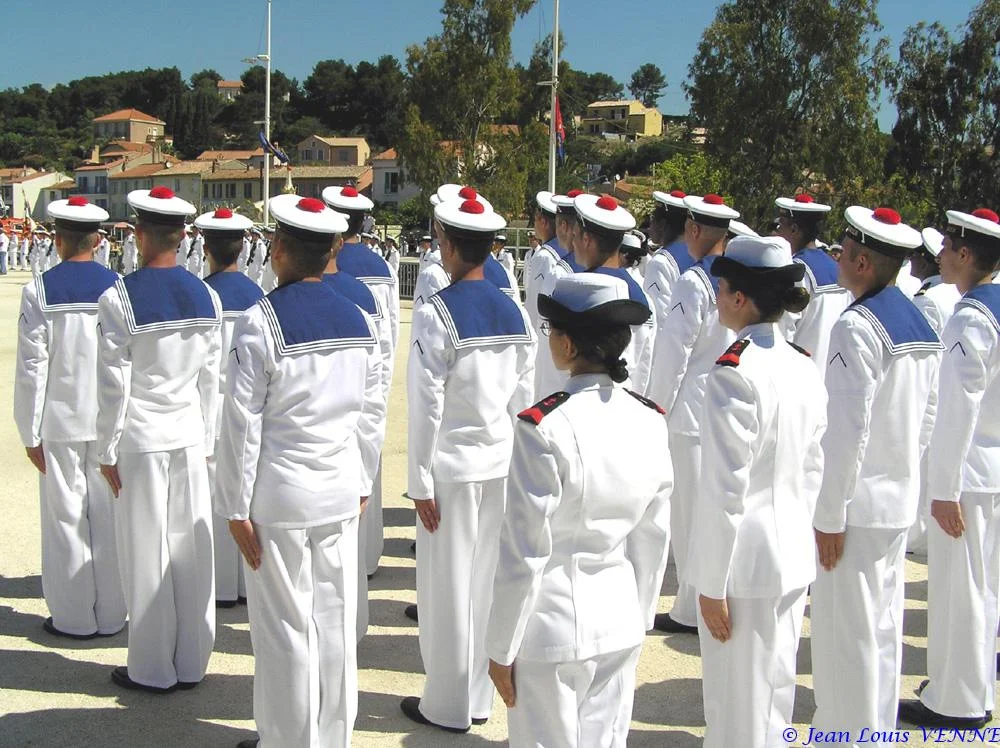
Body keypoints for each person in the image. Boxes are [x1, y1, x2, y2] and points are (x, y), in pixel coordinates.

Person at [216, 194, 386, 748]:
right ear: (332, 249)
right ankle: (333, 735)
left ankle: (288, 739)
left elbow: (241, 427)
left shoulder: (258, 322)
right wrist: (362, 480)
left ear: (280, 248)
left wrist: (235, 506)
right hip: (339, 492)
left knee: (285, 629)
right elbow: (370, 412)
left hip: (282, 499)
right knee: (334, 624)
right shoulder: (361, 320)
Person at [486, 272, 672, 748]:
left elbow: (525, 551)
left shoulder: (543, 425)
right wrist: (642, 614)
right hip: (618, 616)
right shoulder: (649, 418)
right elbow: (653, 534)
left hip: (552, 626)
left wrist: (500, 646)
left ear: (567, 344)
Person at [402, 193, 535, 733]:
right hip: (499, 463)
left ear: (448, 245)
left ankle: (447, 703)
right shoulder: (516, 308)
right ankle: (477, 696)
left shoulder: (437, 311)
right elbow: (524, 402)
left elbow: (425, 403)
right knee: (483, 585)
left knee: (445, 589)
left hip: (452, 470)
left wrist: (418, 479)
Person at [810, 206, 942, 744]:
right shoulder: (921, 320)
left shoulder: (855, 327)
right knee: (881, 629)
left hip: (857, 509)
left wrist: (829, 513)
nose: (837, 256)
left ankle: (851, 734)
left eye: (844, 250)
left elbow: (847, 434)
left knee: (848, 636)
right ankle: (876, 731)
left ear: (863, 261)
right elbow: (929, 417)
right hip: (895, 499)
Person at [689, 235, 827, 747]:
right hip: (788, 554)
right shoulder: (802, 365)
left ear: (741, 298)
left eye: (722, 288)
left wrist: (709, 580)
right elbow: (813, 469)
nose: (718, 297)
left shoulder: (734, 373)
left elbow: (726, 491)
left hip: (743, 567)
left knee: (735, 706)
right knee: (774, 696)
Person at [96, 186, 221, 694]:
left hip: (143, 438)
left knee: (147, 551)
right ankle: (192, 661)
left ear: (140, 234)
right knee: (190, 549)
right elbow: (211, 380)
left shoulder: (118, 297)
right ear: (184, 235)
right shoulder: (206, 294)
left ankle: (150, 666)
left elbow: (113, 387)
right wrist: (207, 437)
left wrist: (106, 449)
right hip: (189, 434)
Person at [898, 208, 1000, 731]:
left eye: (948, 246)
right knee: (983, 587)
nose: (938, 255)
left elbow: (959, 409)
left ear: (965, 253)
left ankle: (955, 701)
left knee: (960, 590)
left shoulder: (971, 317)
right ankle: (970, 686)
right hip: (992, 469)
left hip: (969, 474)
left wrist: (943, 489)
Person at [13, 196, 126, 640]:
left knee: (66, 517)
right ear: (99, 241)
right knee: (109, 516)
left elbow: (31, 367)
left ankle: (74, 617)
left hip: (60, 422)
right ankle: (113, 612)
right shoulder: (120, 286)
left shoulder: (39, 289)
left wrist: (29, 429)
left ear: (58, 240)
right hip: (107, 422)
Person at [647, 194, 740, 634]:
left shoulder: (693, 282)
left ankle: (688, 605)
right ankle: (701, 595)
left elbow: (674, 352)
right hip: (724, 407)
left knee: (687, 516)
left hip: (688, 412)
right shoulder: (738, 279)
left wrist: (656, 407)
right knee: (713, 507)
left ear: (696, 230)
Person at [320, 208, 396, 642]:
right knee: (367, 481)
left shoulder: (319, 281)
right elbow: (386, 343)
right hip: (368, 385)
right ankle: (371, 556)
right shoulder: (380, 270)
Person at [195, 207, 264, 609]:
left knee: (217, 501)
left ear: (206, 248)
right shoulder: (261, 296)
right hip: (250, 410)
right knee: (245, 497)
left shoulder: (202, 295)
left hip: (213, 408)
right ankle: (241, 581)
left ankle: (220, 586)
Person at [907, 226, 963, 554]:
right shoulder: (954, 294)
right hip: (949, 394)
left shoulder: (928, 300)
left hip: (938, 394)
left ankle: (921, 537)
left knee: (927, 466)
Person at [571, 194, 656, 397]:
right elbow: (645, 365)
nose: (572, 243)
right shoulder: (643, 296)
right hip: (627, 403)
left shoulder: (576, 293)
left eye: (575, 236)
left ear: (586, 239)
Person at [773, 194, 852, 380]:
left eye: (781, 225)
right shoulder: (837, 269)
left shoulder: (795, 271)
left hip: (796, 378)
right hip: (828, 375)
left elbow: (784, 330)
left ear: (793, 229)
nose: (778, 232)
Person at [643, 190, 695, 366]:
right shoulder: (697, 255)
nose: (650, 227)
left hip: (670, 360)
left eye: (653, 220)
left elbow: (659, 322)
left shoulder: (661, 262)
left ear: (664, 224)